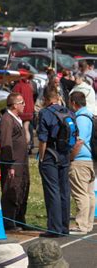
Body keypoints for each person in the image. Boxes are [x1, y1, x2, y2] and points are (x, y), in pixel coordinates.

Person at [37, 88, 74, 237]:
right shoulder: (68, 112)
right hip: (64, 154)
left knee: (52, 191)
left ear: (46, 99)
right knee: (64, 191)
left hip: (50, 155)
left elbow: (42, 139)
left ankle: (54, 228)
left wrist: (41, 156)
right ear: (57, 97)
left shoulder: (45, 113)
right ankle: (65, 227)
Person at [0, 92, 30, 232]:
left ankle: (20, 219)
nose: (24, 105)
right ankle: (9, 223)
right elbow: (6, 143)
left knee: (22, 189)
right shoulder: (7, 120)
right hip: (13, 164)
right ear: (15, 105)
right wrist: (9, 164)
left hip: (22, 163)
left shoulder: (17, 118)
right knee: (11, 190)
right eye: (22, 103)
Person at [68, 91, 95, 235]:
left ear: (73, 103)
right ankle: (88, 223)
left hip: (80, 160)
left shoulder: (81, 118)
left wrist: (71, 157)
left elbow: (79, 140)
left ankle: (81, 225)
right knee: (89, 194)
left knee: (80, 194)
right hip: (90, 159)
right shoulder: (90, 115)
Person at [13, 73, 35, 151]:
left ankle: (22, 147)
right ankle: (27, 146)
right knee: (26, 129)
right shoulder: (29, 86)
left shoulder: (18, 86)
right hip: (29, 110)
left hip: (21, 110)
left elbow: (14, 98)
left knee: (20, 130)